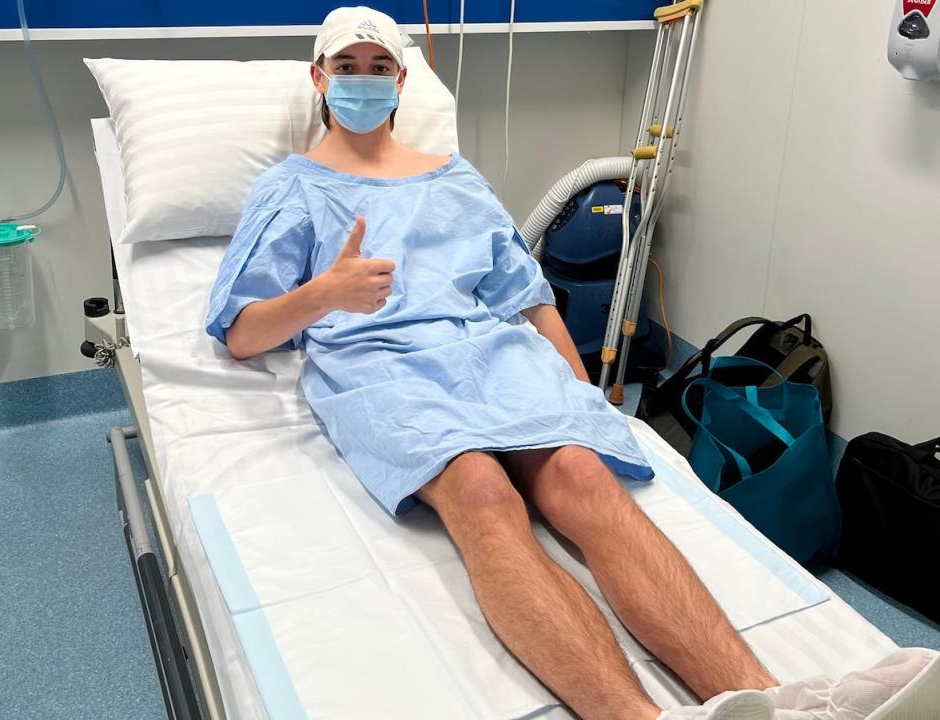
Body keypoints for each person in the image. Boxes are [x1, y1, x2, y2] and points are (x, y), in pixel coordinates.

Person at [205, 7, 938, 719]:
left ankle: (774, 703)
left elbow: (529, 300)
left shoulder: (453, 179)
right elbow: (241, 333)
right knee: (483, 493)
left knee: (585, 475)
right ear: (318, 78)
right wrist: (324, 293)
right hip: (379, 365)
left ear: (401, 82)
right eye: (346, 67)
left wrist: (581, 393)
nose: (362, 80)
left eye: (378, 67)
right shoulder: (293, 188)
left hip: (491, 353)